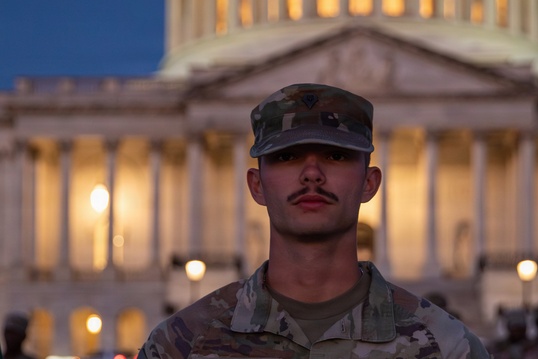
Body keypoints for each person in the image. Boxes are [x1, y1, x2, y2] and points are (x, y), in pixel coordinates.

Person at [137, 83, 491, 358]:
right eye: (287, 156)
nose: (311, 174)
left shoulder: (448, 347)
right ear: (256, 185)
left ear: (370, 183)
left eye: (336, 155)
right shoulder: (179, 345)